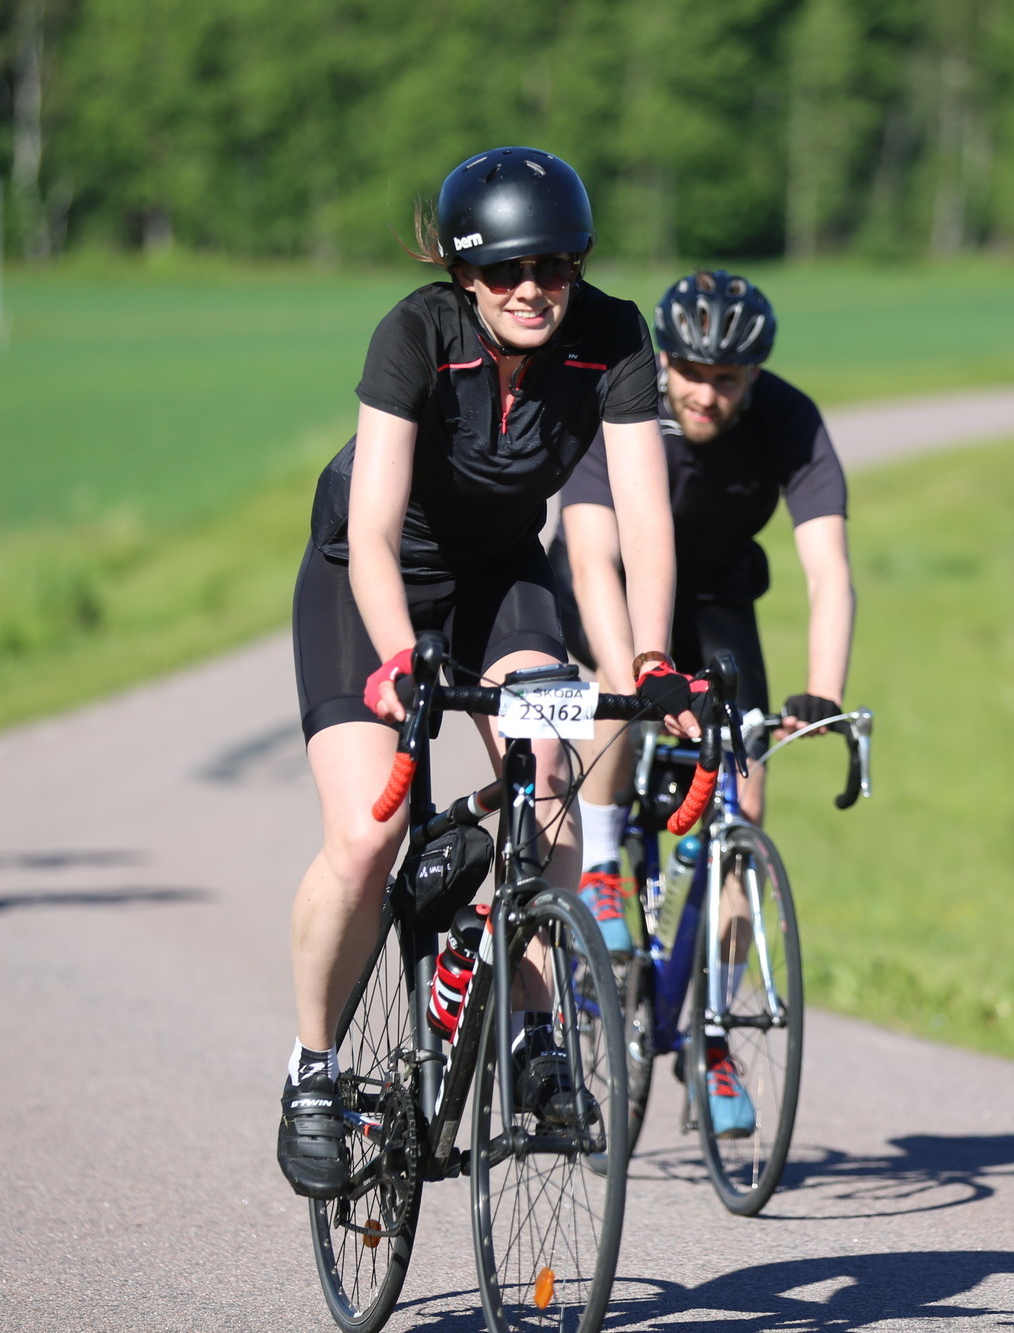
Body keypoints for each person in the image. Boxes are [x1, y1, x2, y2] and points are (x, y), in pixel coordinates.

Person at [277, 147, 701, 1200]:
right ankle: (313, 1069)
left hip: (497, 581)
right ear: (465, 274)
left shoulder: (613, 336)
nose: (531, 289)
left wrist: (650, 657)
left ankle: (534, 1035)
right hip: (367, 581)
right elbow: (373, 532)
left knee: (546, 781)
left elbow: (645, 517)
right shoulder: (417, 334)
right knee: (366, 835)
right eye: (506, 270)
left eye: (554, 266)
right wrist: (398, 661)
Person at [551, 269, 854, 1139]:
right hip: (606, 587)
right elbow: (590, 558)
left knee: (743, 803)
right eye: (690, 372)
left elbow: (828, 570)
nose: (706, 394)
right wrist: (633, 677)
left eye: (727, 378)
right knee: (612, 695)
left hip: (715, 597)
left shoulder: (790, 420)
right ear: (666, 362)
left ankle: (712, 1034)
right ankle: (601, 866)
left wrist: (824, 691)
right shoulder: (624, 405)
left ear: (754, 374)